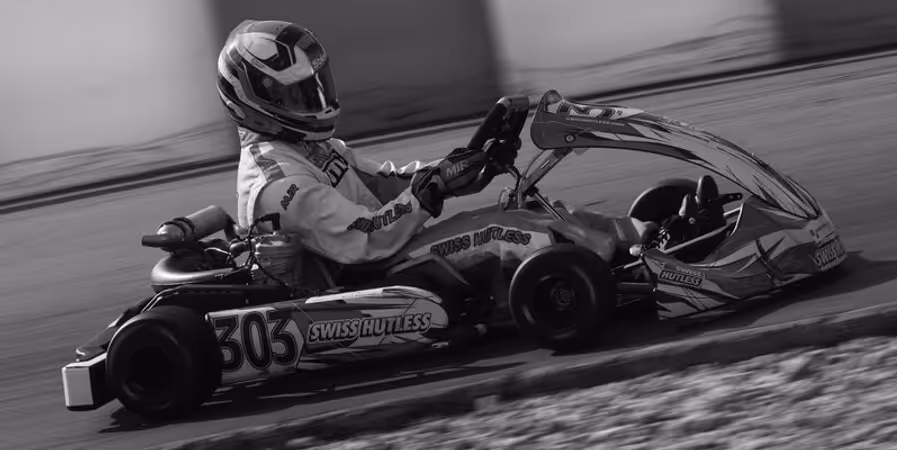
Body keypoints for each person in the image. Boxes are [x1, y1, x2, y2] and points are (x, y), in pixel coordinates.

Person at [216, 20, 676, 298]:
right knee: (501, 230)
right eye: (298, 94)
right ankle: (636, 269)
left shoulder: (307, 148)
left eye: (314, 87)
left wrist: (462, 167)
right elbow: (364, 240)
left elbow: (388, 184)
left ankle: (649, 235)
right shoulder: (279, 182)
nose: (314, 101)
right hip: (364, 276)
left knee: (525, 208)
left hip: (386, 247)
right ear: (255, 101)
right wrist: (432, 192)